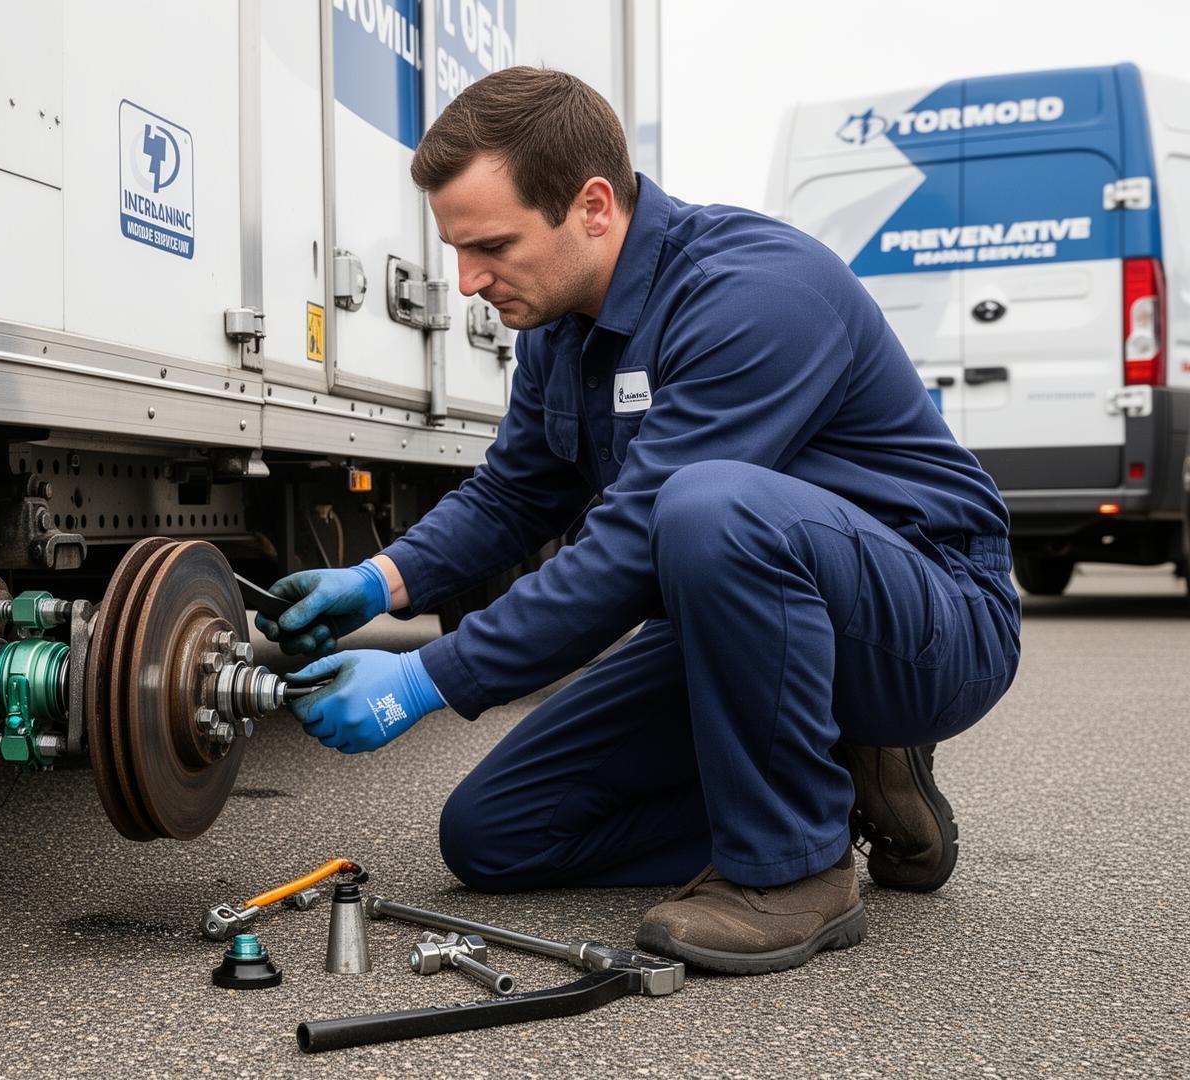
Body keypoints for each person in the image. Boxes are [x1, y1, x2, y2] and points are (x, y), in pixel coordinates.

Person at [258, 67, 1021, 975]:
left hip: (929, 623)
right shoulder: (559, 327)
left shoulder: (757, 295)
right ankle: (843, 785)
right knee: (494, 836)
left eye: (492, 246)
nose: (467, 282)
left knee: (707, 505)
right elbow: (513, 494)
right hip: (750, 625)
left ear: (590, 205)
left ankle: (796, 872)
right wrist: (375, 582)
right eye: (456, 251)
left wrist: (422, 679)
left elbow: (628, 547)